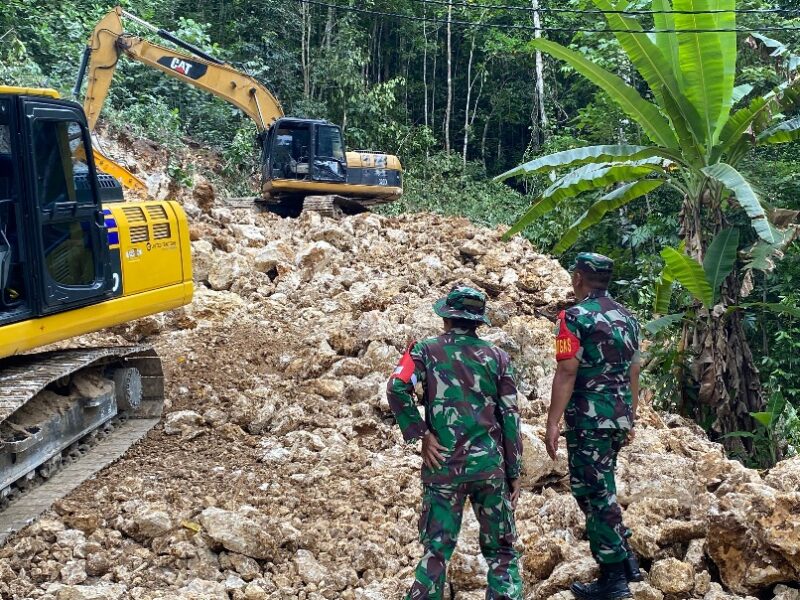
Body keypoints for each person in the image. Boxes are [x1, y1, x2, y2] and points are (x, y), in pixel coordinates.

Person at [387, 285, 523, 600]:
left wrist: (420, 433)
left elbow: (396, 387)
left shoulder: (424, 350)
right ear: (478, 322)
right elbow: (511, 418)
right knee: (502, 551)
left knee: (435, 549)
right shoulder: (498, 358)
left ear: (447, 318)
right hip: (489, 468)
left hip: (443, 466)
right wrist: (514, 471)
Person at [545, 253, 642, 600]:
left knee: (594, 492)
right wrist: (629, 415)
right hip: (616, 416)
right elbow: (634, 372)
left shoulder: (573, 317)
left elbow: (567, 371)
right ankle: (626, 559)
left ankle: (613, 580)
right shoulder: (628, 318)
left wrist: (553, 421)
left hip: (589, 420)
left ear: (578, 277)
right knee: (601, 488)